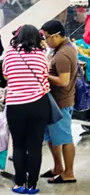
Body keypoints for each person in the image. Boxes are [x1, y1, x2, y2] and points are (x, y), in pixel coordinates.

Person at [3, 25, 51, 194]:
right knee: (35, 146)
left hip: (16, 105)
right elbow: (45, 75)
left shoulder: (10, 53)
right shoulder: (41, 54)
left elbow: (6, 75)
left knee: (19, 145)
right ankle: (32, 185)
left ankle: (20, 184)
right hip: (38, 104)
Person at [40, 20, 78, 185]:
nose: (46, 41)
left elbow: (63, 81)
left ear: (56, 36)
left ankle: (68, 173)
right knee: (53, 137)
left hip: (61, 102)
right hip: (56, 101)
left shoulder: (63, 54)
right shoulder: (63, 48)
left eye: (47, 38)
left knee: (64, 138)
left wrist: (42, 74)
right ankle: (58, 168)